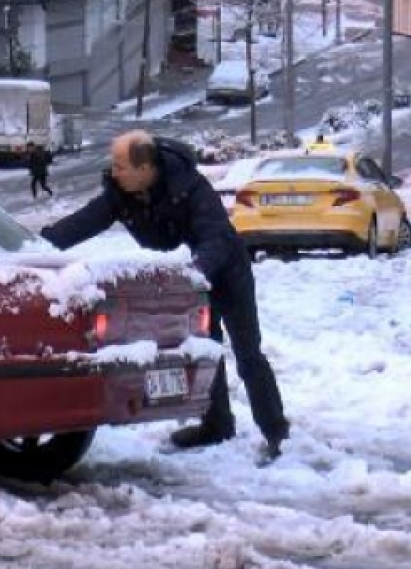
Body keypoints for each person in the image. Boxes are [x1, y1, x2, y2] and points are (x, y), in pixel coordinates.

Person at [39, 129, 290, 464]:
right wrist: (35, 246)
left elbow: (215, 237)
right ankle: (217, 425)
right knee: (205, 349)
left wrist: (193, 272)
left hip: (226, 273)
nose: (114, 172)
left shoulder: (189, 186)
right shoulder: (120, 193)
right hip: (185, 277)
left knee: (248, 354)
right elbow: (82, 223)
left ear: (145, 168)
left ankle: (276, 432)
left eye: (121, 166)